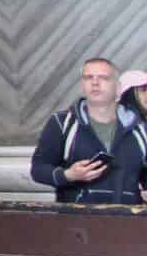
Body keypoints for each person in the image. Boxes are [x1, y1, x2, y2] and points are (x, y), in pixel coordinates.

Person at [31, 57, 147, 203]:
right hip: (76, 221)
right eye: (88, 77)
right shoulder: (62, 123)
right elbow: (38, 169)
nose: (95, 82)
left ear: (118, 87)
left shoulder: (140, 127)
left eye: (103, 78)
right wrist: (68, 175)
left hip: (127, 220)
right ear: (82, 85)